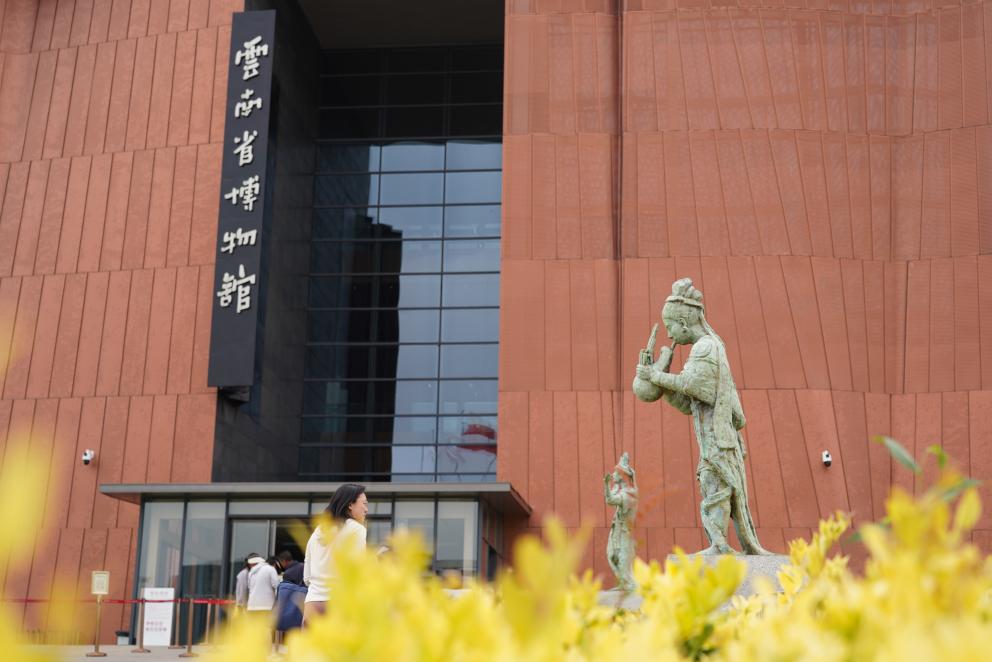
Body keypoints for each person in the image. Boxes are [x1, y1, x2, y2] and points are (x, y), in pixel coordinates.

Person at [634, 278, 770, 555]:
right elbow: (689, 403)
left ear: (684, 323)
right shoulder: (704, 347)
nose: (669, 334)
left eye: (670, 326)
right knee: (713, 483)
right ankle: (720, 545)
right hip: (712, 438)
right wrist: (662, 388)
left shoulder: (706, 347)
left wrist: (655, 376)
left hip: (718, 438)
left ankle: (719, 546)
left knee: (716, 484)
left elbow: (694, 386)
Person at [303, 483, 368, 625]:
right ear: (350, 505)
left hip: (312, 605)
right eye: (364, 503)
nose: (366, 509)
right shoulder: (356, 529)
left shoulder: (317, 532)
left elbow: (307, 577)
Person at [604, 452, 638, 590]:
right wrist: (608, 485)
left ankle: (631, 587)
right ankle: (623, 584)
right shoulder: (622, 490)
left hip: (625, 533)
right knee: (612, 555)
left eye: (616, 473)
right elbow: (609, 499)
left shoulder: (630, 494)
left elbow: (611, 500)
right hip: (618, 530)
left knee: (623, 561)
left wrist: (606, 484)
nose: (613, 475)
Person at [274, 550, 307, 635]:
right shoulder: (303, 566)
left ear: (284, 561)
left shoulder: (288, 573)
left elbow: (286, 594)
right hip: (305, 604)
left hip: (293, 608)